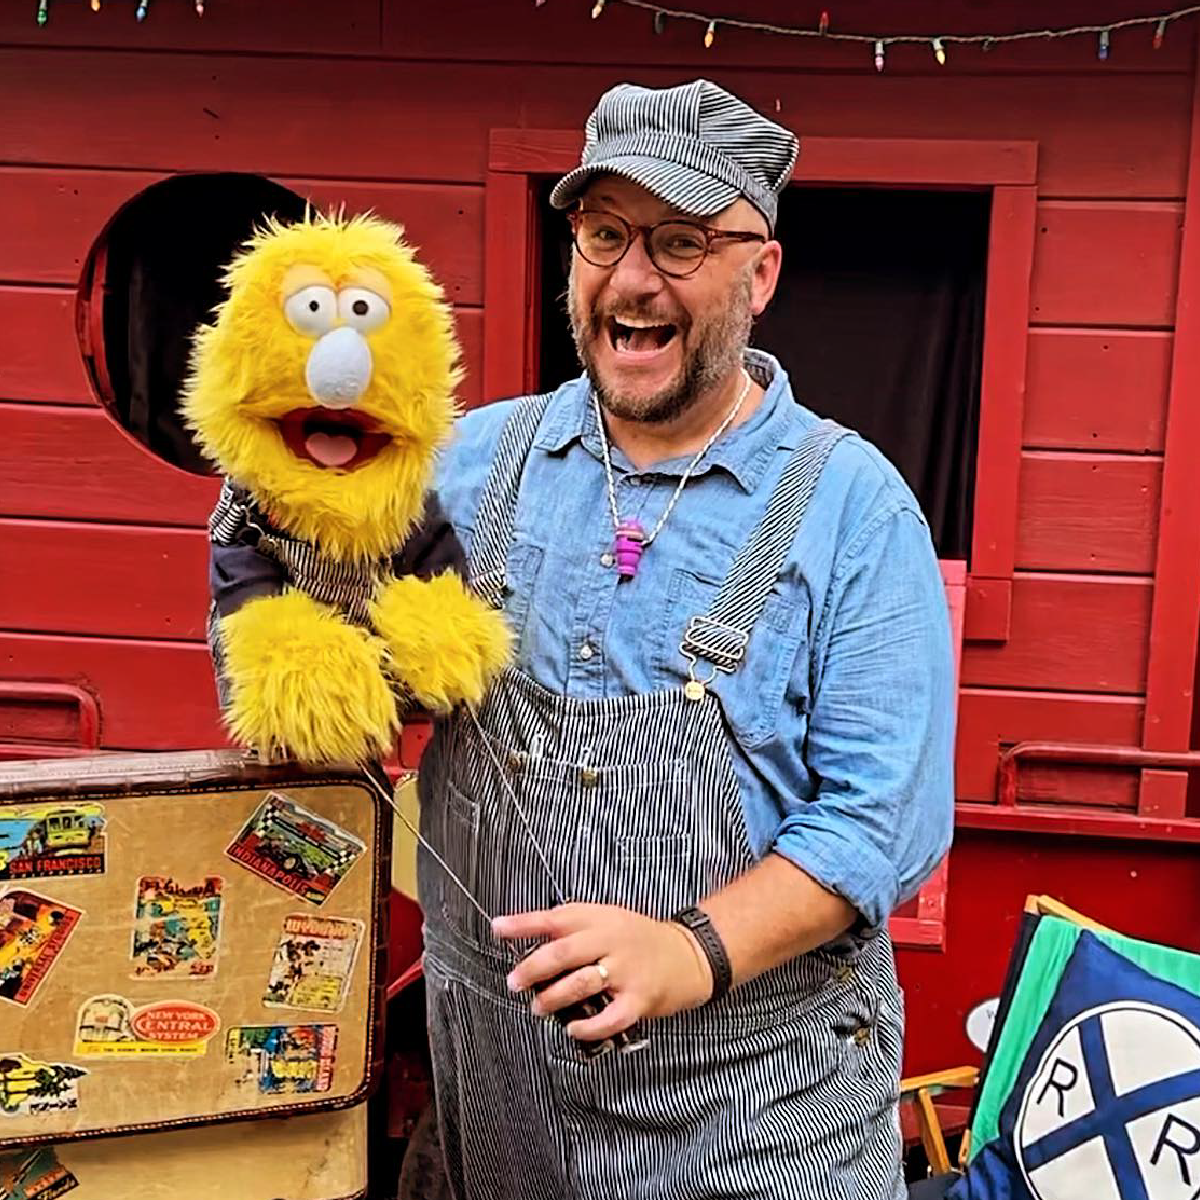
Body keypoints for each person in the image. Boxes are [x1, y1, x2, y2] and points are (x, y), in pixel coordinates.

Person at [417, 77, 956, 1200]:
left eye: (679, 241)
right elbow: (349, 677)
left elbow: (880, 825)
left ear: (759, 272)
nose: (631, 277)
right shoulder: (467, 465)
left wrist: (689, 949)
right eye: (605, 234)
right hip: (505, 1098)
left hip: (753, 1107)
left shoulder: (854, 510)